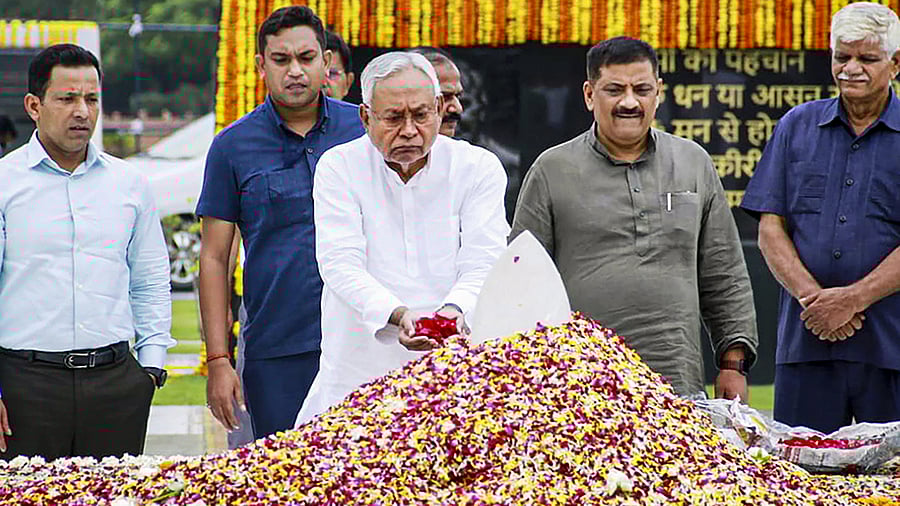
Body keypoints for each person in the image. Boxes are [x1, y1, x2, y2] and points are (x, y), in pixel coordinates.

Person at [510, 37, 758, 401]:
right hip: (579, 387)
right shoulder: (552, 170)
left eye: (642, 89)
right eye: (614, 90)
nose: (629, 102)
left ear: (658, 92)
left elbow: (724, 272)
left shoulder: (692, 162)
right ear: (589, 94)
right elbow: (520, 279)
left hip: (676, 383)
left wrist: (732, 365)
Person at [294, 52, 509, 424]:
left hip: (454, 369)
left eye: (421, 115)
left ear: (440, 109)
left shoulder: (477, 168)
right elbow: (340, 264)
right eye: (393, 117)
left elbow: (485, 259)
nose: (409, 130)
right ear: (365, 117)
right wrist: (400, 316)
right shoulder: (339, 168)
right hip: (357, 373)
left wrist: (452, 313)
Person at [197, 5, 365, 439]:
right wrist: (219, 360)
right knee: (285, 480)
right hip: (278, 348)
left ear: (327, 62)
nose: (295, 71)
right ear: (260, 65)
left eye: (307, 58)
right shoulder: (233, 146)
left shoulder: (364, 130)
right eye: (281, 59)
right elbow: (215, 258)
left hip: (366, 338)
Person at [0, 44, 173, 459]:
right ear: (34, 105)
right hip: (26, 386)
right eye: (67, 98)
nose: (82, 111)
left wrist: (150, 368)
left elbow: (149, 278)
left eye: (91, 99)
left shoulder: (129, 184)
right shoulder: (6, 183)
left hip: (116, 386)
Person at [741, 2, 900, 434]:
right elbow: (770, 228)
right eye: (841, 57)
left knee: (888, 482)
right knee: (801, 478)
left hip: (890, 347)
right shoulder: (797, 125)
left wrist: (851, 300)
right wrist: (817, 302)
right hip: (807, 343)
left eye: (867, 58)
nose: (851, 69)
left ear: (895, 63)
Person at [407, 47, 464, 137]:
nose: (457, 108)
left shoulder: (472, 151)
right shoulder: (379, 149)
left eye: (458, 96)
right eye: (444, 97)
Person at [323, 29, 355, 101]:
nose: (323, 83)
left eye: (332, 73)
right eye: (316, 74)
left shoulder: (359, 112)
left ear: (348, 83)